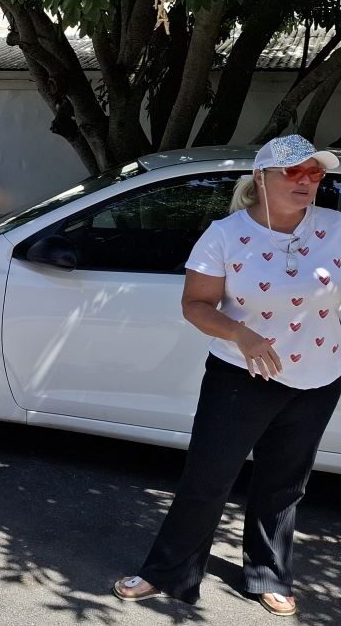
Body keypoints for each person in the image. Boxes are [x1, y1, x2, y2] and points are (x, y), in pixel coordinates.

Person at [113, 135, 341, 617]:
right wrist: (243, 335)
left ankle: (269, 575)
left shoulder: (336, 227)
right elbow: (195, 305)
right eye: (294, 173)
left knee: (284, 483)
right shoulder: (225, 234)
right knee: (209, 478)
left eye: (315, 173)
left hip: (320, 377)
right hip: (241, 375)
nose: (307, 182)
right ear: (261, 179)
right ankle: (168, 573)